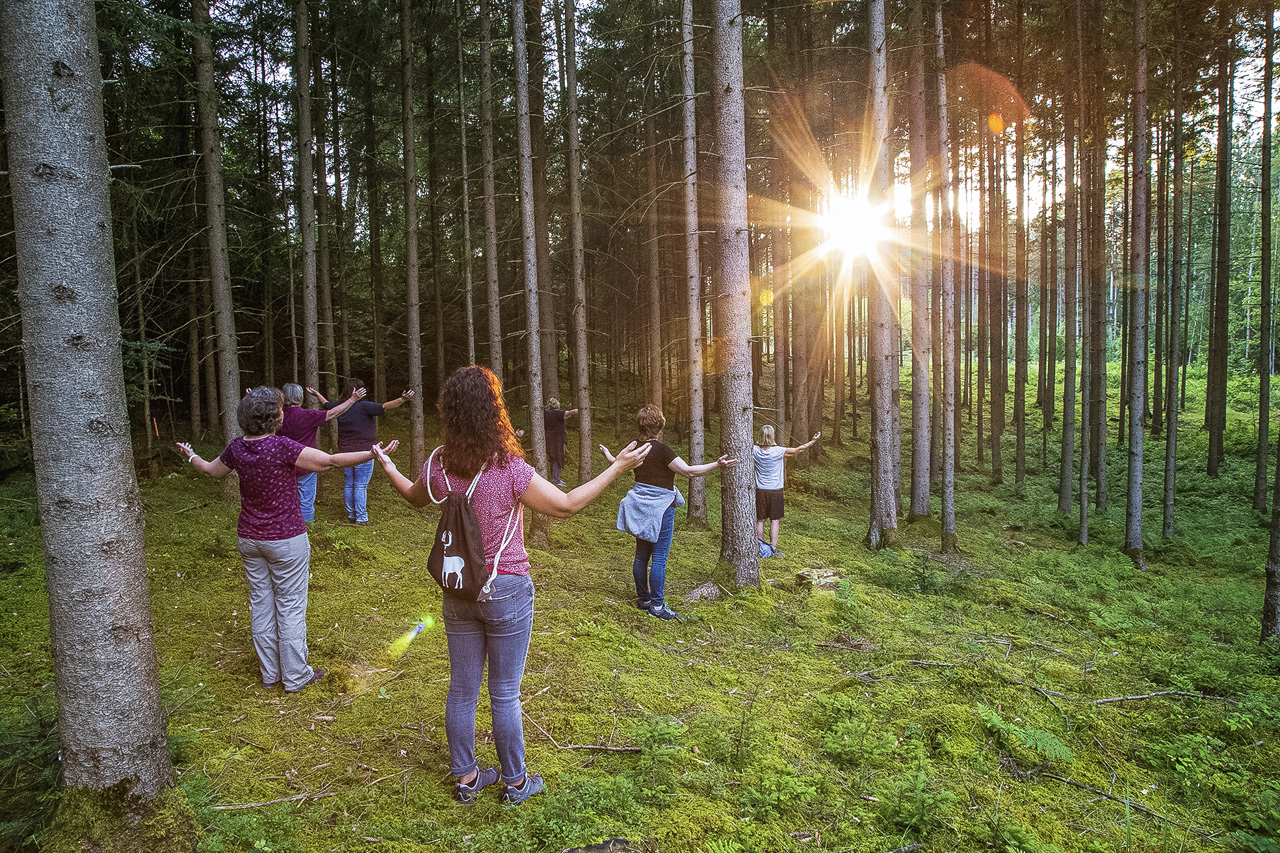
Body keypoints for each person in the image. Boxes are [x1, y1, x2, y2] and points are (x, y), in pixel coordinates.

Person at [372, 365, 648, 806]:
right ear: (493, 410)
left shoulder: (438, 464)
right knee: (504, 692)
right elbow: (566, 506)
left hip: (457, 591)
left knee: (462, 688)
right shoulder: (508, 469)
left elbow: (411, 496)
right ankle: (516, 783)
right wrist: (616, 468)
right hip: (506, 589)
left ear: (451, 411)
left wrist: (386, 465)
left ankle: (465, 777)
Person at [177, 386, 397, 693]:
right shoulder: (282, 447)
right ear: (273, 416)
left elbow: (211, 471)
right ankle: (295, 677)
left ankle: (270, 675)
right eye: (280, 409)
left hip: (250, 540)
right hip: (286, 539)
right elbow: (329, 462)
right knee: (290, 606)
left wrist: (191, 457)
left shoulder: (237, 448)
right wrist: (373, 453)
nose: (284, 412)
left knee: (261, 605)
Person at [617, 404, 737, 620]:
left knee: (641, 555)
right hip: (662, 509)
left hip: (640, 507)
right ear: (660, 426)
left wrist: (609, 455)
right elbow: (689, 472)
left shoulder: (635, 449)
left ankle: (644, 599)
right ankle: (657, 606)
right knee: (660, 559)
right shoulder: (663, 451)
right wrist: (716, 465)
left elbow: (618, 465)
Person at [322, 378, 413, 525]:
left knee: (349, 484)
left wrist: (316, 394)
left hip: (345, 454)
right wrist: (402, 399)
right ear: (357, 390)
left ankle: (351, 515)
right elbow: (386, 406)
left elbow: (326, 404)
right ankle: (362, 518)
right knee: (360, 485)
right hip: (364, 453)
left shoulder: (340, 406)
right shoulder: (364, 406)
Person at [280, 383, 365, 522]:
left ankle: (287, 529)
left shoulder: (278, 417)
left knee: (285, 502)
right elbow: (333, 413)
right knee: (306, 503)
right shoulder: (307, 415)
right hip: (306, 466)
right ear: (300, 398)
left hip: (283, 467)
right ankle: (306, 531)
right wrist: (352, 400)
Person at [753, 426, 820, 558]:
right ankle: (772, 548)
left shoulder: (753, 450)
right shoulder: (778, 451)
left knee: (760, 520)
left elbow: (795, 451)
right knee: (775, 520)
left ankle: (759, 547)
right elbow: (796, 450)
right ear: (772, 437)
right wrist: (812, 441)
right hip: (775, 491)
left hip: (760, 490)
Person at [542, 397, 578, 487]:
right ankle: (556, 480)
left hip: (550, 439)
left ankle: (556, 478)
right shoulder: (556, 413)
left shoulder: (546, 413)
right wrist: (581, 409)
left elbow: (566, 416)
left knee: (553, 458)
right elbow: (570, 413)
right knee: (557, 458)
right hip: (557, 439)